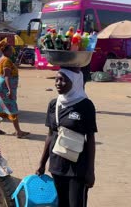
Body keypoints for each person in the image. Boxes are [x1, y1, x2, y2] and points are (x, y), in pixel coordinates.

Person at [36, 68, 97, 207]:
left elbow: (91, 139)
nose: (58, 83)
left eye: (63, 80)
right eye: (56, 79)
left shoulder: (85, 106)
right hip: (57, 165)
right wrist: (42, 164)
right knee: (61, 203)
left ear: (75, 83)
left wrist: (90, 171)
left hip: (78, 168)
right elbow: (50, 135)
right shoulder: (53, 104)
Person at [0, 40, 30, 138]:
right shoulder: (6, 60)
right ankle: (18, 132)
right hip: (5, 86)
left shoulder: (1, 59)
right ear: (5, 51)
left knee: (0, 107)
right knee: (12, 107)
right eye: (10, 50)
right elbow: (7, 76)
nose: (11, 52)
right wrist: (10, 90)